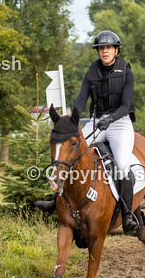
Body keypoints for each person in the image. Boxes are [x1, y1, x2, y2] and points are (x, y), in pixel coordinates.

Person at [36, 30, 139, 234]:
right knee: (72, 152)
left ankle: (127, 214)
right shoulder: (92, 72)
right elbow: (82, 99)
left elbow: (126, 105)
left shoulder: (126, 71)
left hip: (119, 123)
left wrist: (109, 120)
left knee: (122, 165)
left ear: (116, 50)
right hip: (97, 121)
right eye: (101, 48)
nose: (104, 51)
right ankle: (55, 198)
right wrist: (73, 119)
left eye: (108, 48)